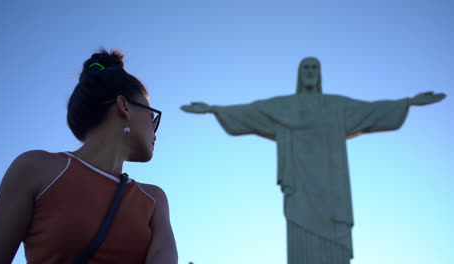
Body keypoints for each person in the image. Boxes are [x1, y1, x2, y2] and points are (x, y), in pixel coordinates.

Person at [181, 57, 446, 264]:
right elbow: (253, 111)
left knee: (333, 242)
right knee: (301, 239)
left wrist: (408, 103)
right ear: (299, 73)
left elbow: (371, 110)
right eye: (305, 67)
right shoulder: (283, 106)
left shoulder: (336, 106)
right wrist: (215, 109)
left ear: (319, 74)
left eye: (314, 67)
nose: (310, 71)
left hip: (332, 188)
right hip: (300, 187)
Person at [0, 49, 178, 263]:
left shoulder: (153, 199)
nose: (155, 131)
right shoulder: (36, 169)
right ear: (124, 106)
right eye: (151, 116)